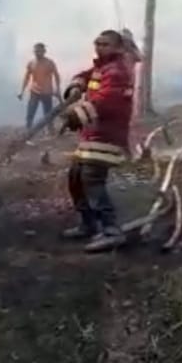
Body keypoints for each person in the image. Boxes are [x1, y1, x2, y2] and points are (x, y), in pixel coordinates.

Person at [59, 29, 135, 252]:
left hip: (107, 136)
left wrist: (76, 114)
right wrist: (77, 85)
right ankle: (88, 224)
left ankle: (112, 231)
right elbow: (87, 75)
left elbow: (106, 101)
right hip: (92, 135)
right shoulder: (102, 68)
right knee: (75, 178)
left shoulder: (117, 71)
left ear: (118, 47)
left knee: (92, 180)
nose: (99, 47)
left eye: (105, 44)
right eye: (97, 43)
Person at [18, 43, 61, 130]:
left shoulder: (49, 63)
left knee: (48, 113)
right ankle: (28, 130)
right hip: (35, 91)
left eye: (39, 51)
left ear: (44, 51)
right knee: (30, 112)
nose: (37, 53)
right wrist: (21, 91)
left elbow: (56, 76)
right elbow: (26, 78)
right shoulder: (31, 63)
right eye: (36, 51)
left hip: (47, 92)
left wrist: (58, 89)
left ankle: (50, 130)